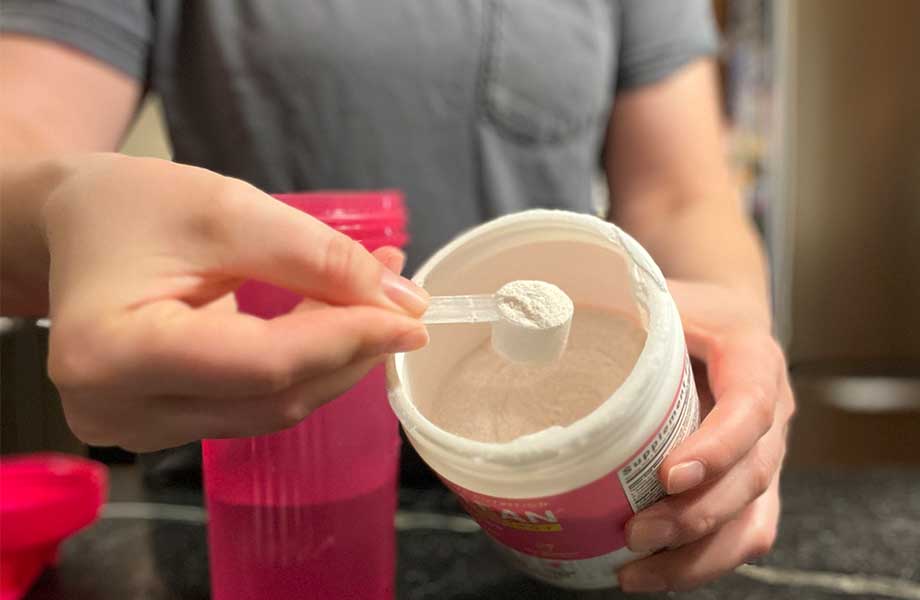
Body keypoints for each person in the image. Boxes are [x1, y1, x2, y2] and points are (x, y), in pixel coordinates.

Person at [0, 0, 795, 593]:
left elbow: (683, 196)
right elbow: (21, 135)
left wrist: (739, 345)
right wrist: (55, 212)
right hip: (257, 486)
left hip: (586, 469)